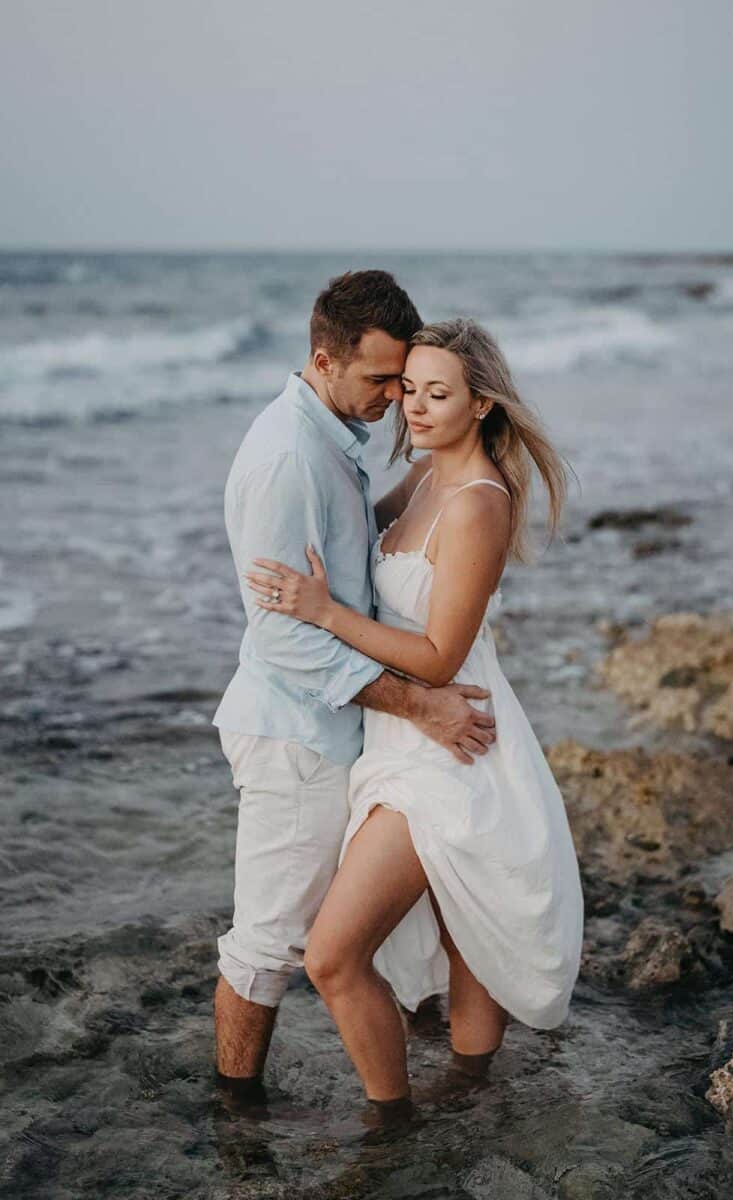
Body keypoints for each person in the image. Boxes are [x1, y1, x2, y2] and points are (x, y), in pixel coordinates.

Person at [245, 318, 585, 1118]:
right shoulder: (427, 478)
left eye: (439, 394)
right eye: (408, 390)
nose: (417, 408)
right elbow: (361, 537)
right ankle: (471, 1090)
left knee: (331, 957)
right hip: (401, 737)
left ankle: (391, 1123)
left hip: (448, 739)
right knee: (461, 921)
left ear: (483, 406)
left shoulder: (477, 504)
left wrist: (323, 613)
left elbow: (436, 655)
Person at [212, 274, 498, 1109]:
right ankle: (236, 1116)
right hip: (298, 737)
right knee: (266, 948)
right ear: (323, 358)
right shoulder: (288, 458)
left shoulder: (333, 437)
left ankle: (464, 1084)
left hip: (345, 735)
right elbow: (282, 635)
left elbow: (361, 555)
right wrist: (421, 705)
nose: (392, 400)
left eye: (406, 382)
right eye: (380, 381)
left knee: (423, 916)